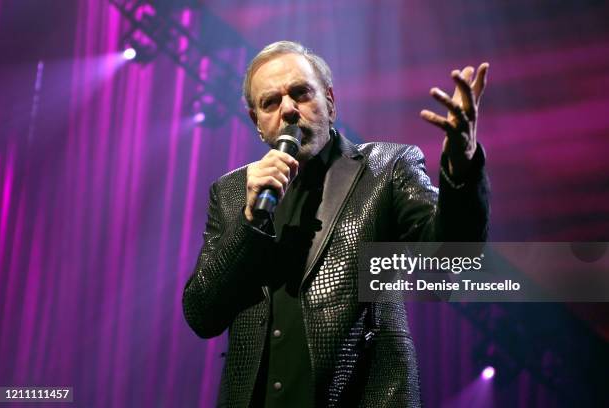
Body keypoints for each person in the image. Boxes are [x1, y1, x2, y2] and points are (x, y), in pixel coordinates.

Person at [182, 41, 489, 407]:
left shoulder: (386, 168)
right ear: (257, 123)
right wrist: (249, 220)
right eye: (271, 102)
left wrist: (461, 167)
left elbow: (451, 258)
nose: (289, 110)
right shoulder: (233, 193)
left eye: (301, 93)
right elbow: (202, 315)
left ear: (329, 101)